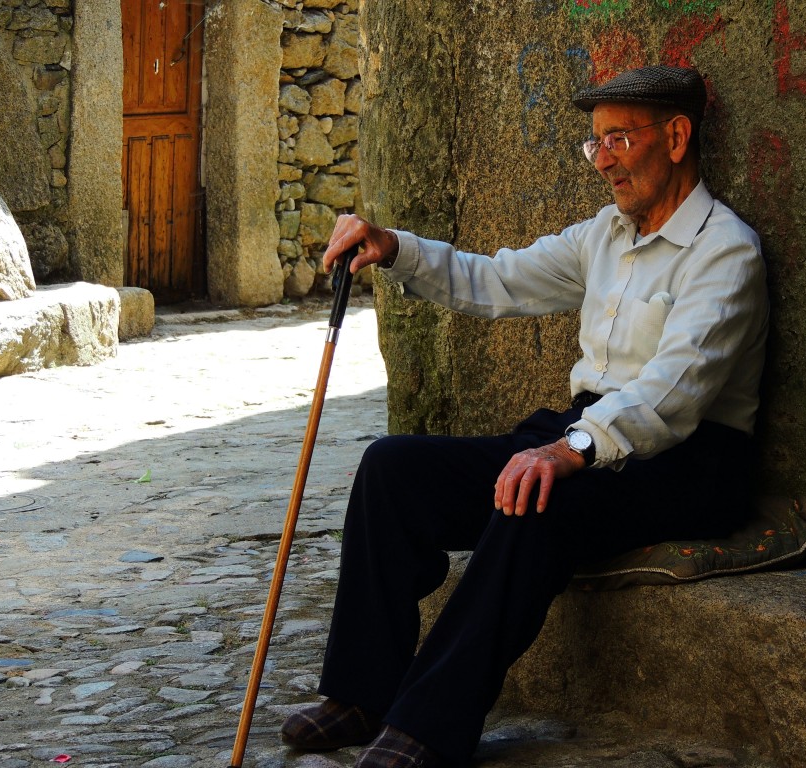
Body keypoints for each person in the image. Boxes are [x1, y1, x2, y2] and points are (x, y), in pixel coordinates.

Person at [280, 65, 769, 768]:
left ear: (677, 137)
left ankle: (428, 726)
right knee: (394, 470)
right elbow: (499, 279)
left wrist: (568, 450)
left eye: (619, 140)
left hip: (686, 459)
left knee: (534, 499)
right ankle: (362, 693)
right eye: (594, 144)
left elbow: (675, 390)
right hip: (590, 435)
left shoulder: (726, 251)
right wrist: (395, 248)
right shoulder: (606, 236)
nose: (602, 161)